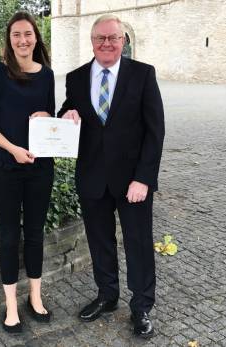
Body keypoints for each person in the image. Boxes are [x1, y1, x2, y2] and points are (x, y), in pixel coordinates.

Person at [58, 15, 165, 338]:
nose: (106, 43)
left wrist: (144, 178)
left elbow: (155, 130)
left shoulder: (143, 75)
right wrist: (66, 113)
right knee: (100, 241)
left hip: (133, 181)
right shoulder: (76, 78)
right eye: (100, 38)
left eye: (113, 38)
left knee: (138, 243)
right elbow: (70, 109)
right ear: (92, 42)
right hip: (92, 177)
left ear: (124, 41)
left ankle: (142, 306)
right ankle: (107, 295)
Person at [0, 12, 54, 334]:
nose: (23, 40)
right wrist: (13, 149)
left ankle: (35, 296)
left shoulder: (47, 75)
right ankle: (10, 305)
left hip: (40, 167)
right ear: (9, 39)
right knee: (9, 236)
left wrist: (51, 115)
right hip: (5, 167)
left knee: (35, 233)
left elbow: (49, 114)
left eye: (28, 34)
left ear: (36, 37)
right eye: (16, 35)